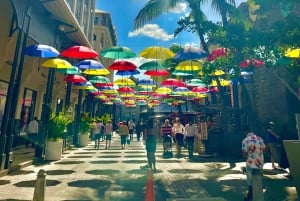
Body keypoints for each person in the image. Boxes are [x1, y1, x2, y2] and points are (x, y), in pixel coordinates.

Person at [241, 126, 265, 201]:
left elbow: (244, 153)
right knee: (258, 180)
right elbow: (264, 148)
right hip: (259, 162)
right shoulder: (259, 138)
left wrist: (249, 154)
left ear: (245, 132)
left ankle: (250, 196)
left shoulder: (245, 140)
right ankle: (254, 196)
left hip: (250, 163)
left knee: (250, 181)